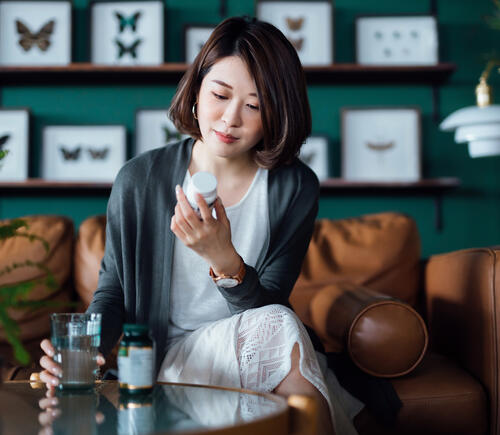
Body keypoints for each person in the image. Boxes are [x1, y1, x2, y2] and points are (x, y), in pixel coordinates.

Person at [39, 16, 363, 435]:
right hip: (168, 357)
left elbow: (267, 307)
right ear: (195, 92)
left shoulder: (292, 186)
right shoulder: (140, 179)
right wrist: (86, 351)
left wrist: (223, 258)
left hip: (255, 343)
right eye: (220, 95)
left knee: (280, 324)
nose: (230, 119)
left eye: (254, 105)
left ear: (276, 114)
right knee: (285, 331)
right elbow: (113, 291)